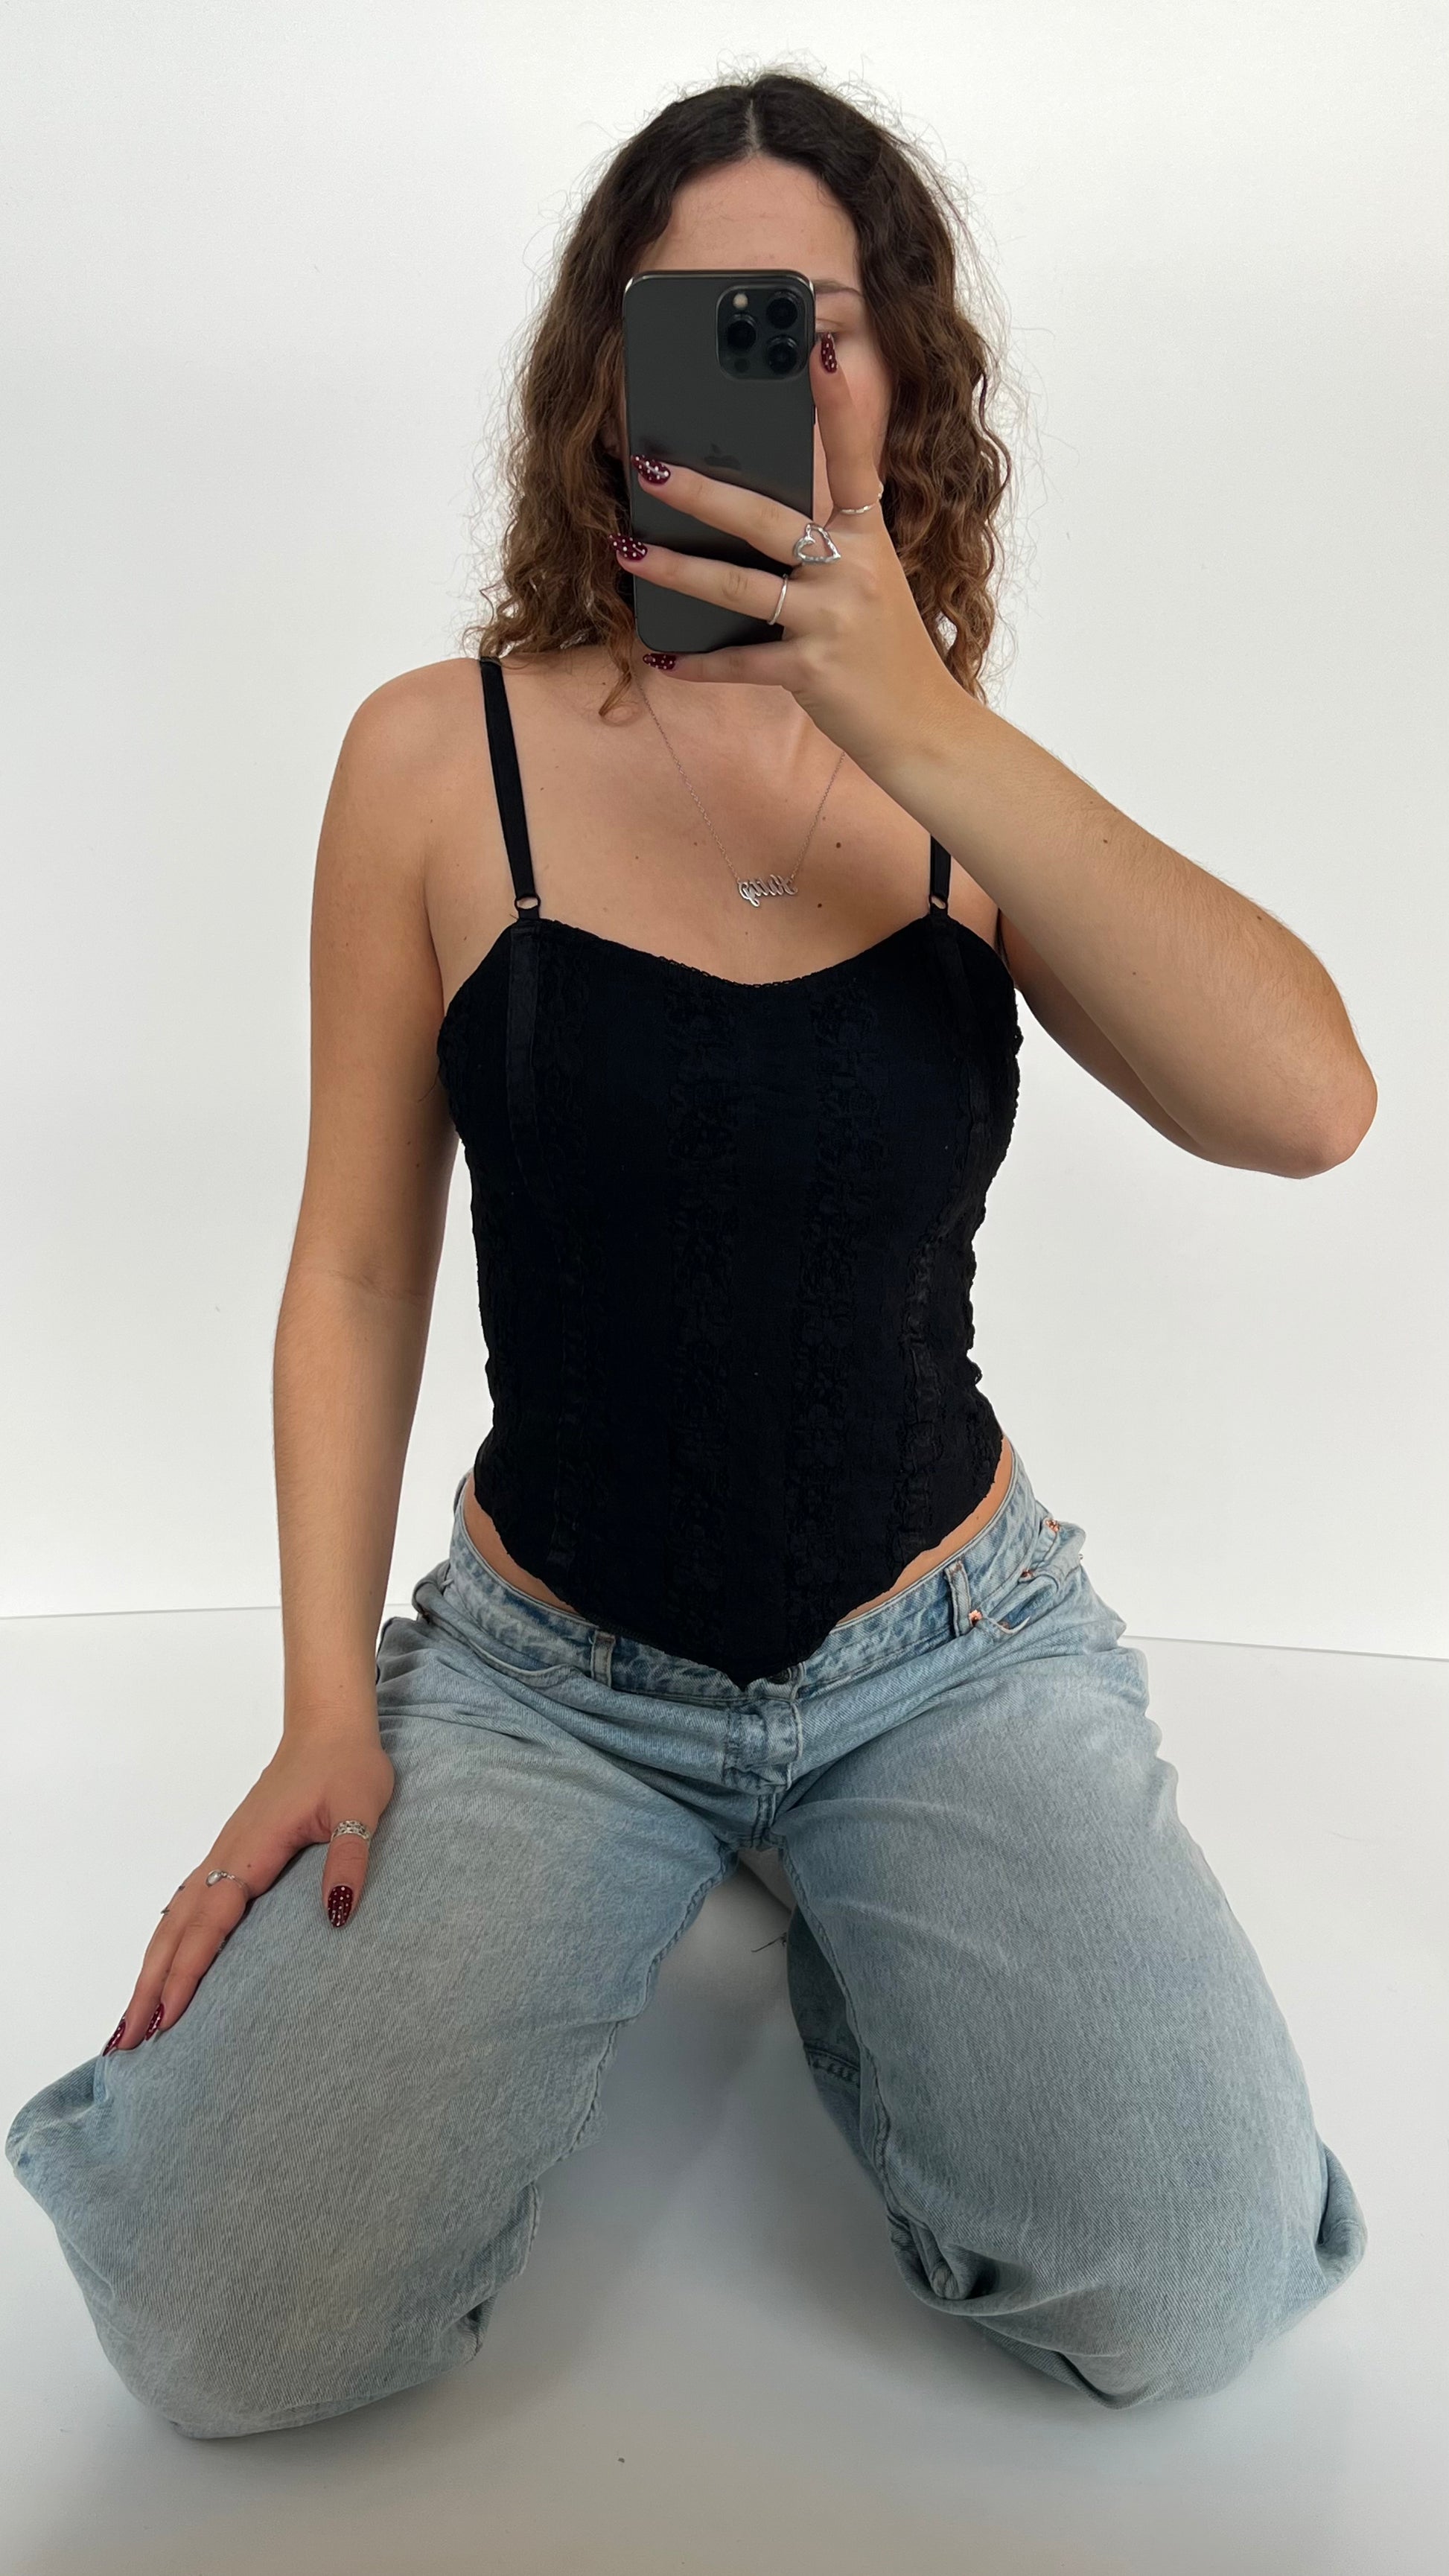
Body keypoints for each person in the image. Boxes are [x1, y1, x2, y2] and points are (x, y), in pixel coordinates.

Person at [7, 69, 1373, 2440]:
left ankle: (861, 1919)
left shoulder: (961, 780)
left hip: (941, 1646)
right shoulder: (434, 759)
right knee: (225, 2334)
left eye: (815, 323)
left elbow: (1310, 1106)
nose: (773, 369)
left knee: (1187, 2286)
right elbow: (356, 1266)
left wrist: (916, 720)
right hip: (549, 1676)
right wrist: (325, 1702)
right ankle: (709, 1869)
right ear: (610, 378)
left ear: (897, 374)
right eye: (706, 322)